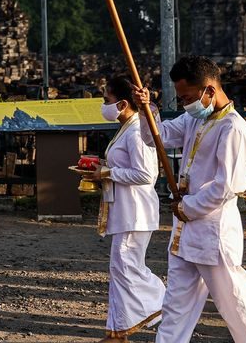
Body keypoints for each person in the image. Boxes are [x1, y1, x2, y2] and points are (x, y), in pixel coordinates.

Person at [132, 56, 246, 343]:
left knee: (236, 305)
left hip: (213, 234)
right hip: (184, 234)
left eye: (188, 98)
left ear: (209, 91)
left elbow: (226, 187)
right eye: (181, 99)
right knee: (175, 308)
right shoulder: (194, 119)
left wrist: (187, 207)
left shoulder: (234, 130)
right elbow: (158, 136)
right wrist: (145, 110)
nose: (184, 105)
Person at [82, 75, 164, 342]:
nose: (103, 104)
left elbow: (145, 174)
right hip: (126, 211)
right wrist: (105, 172)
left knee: (128, 268)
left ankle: (169, 304)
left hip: (136, 212)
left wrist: (108, 173)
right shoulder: (126, 127)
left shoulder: (136, 131)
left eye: (107, 100)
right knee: (120, 270)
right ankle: (117, 332)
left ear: (123, 103)